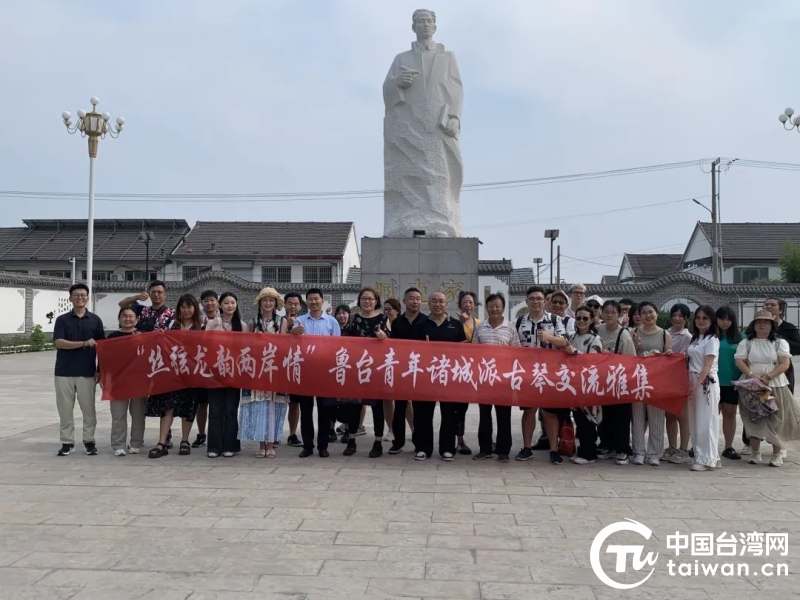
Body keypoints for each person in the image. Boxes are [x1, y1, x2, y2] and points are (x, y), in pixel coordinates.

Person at [383, 9, 463, 238]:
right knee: (409, 172)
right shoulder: (401, 59)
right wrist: (397, 83)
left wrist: (454, 118)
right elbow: (387, 90)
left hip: (437, 123)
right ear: (413, 27)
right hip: (408, 124)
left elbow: (456, 91)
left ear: (435, 26)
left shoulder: (447, 57)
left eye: (429, 21)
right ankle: (405, 222)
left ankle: (441, 222)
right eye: (420, 21)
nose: (425, 25)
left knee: (439, 172)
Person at [735, 310, 800, 467]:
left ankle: (776, 454)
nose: (762, 325)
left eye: (766, 322)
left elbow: (784, 363)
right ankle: (755, 452)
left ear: (772, 326)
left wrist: (769, 377)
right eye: (759, 322)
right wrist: (751, 374)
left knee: (776, 419)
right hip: (752, 385)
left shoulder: (779, 342)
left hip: (775, 385)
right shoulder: (746, 343)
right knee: (753, 417)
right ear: (753, 325)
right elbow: (739, 360)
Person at [145, 295, 203, 459]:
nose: (186, 310)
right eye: (183, 307)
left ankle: (185, 440)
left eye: (189, 307)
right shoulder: (171, 325)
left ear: (195, 308)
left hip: (191, 374)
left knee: (188, 408)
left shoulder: (202, 327)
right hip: (171, 374)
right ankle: (161, 443)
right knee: (167, 408)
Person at [515, 286, 568, 462]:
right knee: (529, 411)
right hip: (527, 374)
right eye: (532, 299)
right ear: (526, 301)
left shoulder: (555, 320)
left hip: (549, 373)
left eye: (539, 298)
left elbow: (564, 341)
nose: (536, 302)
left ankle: (553, 450)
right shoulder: (519, 322)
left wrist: (549, 338)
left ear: (545, 301)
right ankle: (527, 447)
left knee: (549, 413)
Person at [53, 283, 105, 456]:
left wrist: (100, 369)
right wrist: (83, 343)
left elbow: (102, 348)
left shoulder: (95, 320)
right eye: (76, 295)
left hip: (87, 372)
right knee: (65, 410)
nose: (80, 298)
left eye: (83, 295)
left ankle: (89, 441)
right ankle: (67, 442)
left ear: (87, 298)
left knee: (88, 410)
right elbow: (59, 343)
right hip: (64, 372)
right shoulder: (62, 320)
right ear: (70, 298)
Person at [417, 291, 467, 461]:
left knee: (449, 413)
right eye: (434, 301)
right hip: (427, 375)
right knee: (423, 413)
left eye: (441, 301)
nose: (438, 304)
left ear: (447, 304)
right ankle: (423, 448)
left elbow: (463, 351)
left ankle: (447, 448)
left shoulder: (456, 325)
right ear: (428, 303)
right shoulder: (421, 324)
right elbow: (413, 352)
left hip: (449, 376)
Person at [291, 288, 341, 458]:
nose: (313, 302)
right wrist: (292, 333)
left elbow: (337, 347)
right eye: (310, 299)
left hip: (325, 371)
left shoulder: (331, 322)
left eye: (316, 299)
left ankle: (323, 446)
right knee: (305, 411)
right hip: (305, 371)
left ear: (322, 300)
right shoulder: (300, 321)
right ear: (307, 302)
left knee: (324, 410)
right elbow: (292, 345)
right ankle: (307, 446)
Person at [341, 286, 390, 458]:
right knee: (353, 406)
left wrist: (384, 337)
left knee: (377, 407)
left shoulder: (383, 319)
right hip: (356, 368)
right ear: (359, 301)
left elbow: (391, 342)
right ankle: (351, 440)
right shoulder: (353, 318)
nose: (367, 301)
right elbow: (343, 340)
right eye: (364, 299)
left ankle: (378, 442)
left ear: (376, 301)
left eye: (370, 299)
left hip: (376, 369)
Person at [240, 288, 289, 459]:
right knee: (259, 407)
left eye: (271, 300)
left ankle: (271, 444)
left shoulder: (282, 321)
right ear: (260, 303)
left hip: (275, 369)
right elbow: (247, 346)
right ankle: (261, 444)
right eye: (265, 300)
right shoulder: (253, 322)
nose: (268, 303)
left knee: (274, 406)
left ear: (276, 303)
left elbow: (283, 344)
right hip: (258, 370)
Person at [472, 293, 520, 462]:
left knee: (503, 415)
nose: (494, 309)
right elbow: (474, 352)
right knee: (484, 414)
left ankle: (503, 450)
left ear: (503, 308)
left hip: (503, 379)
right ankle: (485, 449)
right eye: (491, 306)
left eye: (497, 306)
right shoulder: (480, 328)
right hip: (484, 378)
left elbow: (516, 352)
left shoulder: (510, 327)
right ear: (487, 308)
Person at [631, 301, 673, 466]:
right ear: (639, 316)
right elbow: (628, 357)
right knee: (637, 417)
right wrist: (636, 348)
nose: (648, 315)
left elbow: (669, 356)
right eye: (644, 313)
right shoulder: (633, 333)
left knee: (657, 418)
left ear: (656, 313)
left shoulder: (664, 334)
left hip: (657, 381)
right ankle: (638, 452)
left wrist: (664, 354)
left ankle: (655, 453)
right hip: (637, 380)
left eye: (650, 312)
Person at [595, 300, 636, 465]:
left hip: (619, 381)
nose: (609, 315)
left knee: (621, 417)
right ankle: (606, 445)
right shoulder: (597, 330)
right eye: (606, 312)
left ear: (619, 314)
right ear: (601, 313)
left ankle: (622, 449)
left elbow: (630, 360)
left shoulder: (624, 334)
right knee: (603, 416)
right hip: (600, 380)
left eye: (613, 312)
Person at [205, 292, 245, 458]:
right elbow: (204, 343)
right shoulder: (212, 323)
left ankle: (230, 445)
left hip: (234, 373)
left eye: (233, 303)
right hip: (215, 372)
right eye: (226, 303)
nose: (230, 306)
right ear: (220, 305)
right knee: (215, 410)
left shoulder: (242, 325)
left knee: (230, 410)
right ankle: (214, 447)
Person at [388, 287, 427, 454]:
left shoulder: (426, 321)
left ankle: (419, 442)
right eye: (411, 298)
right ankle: (398, 442)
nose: (415, 301)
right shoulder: (397, 322)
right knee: (399, 408)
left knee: (419, 409)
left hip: (420, 371)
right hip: (401, 370)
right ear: (404, 301)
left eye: (418, 298)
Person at [562, 306, 604, 465]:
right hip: (573, 384)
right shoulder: (572, 337)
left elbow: (593, 362)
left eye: (585, 318)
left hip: (588, 384)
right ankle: (583, 449)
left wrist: (574, 352)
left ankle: (589, 453)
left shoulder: (595, 339)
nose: (581, 321)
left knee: (588, 419)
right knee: (579, 419)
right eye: (578, 318)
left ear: (592, 320)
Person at [106, 306, 145, 456]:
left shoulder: (142, 336)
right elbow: (105, 358)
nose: (128, 319)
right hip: (118, 381)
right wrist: (102, 375)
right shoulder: (112, 337)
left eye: (131, 316)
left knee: (138, 414)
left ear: (136, 319)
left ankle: (136, 443)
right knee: (118, 415)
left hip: (138, 381)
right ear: (119, 318)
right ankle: (118, 444)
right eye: (124, 316)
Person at [686, 306, 721, 472]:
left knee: (706, 421)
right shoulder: (695, 338)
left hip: (705, 383)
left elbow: (707, 366)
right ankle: (705, 456)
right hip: (693, 380)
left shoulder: (712, 340)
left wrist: (695, 385)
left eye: (705, 318)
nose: (701, 321)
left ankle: (707, 459)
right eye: (698, 317)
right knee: (695, 421)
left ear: (712, 320)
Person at [664, 303, 693, 465]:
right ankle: (672, 447)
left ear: (686, 319)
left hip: (681, 378)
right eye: (674, 315)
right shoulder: (665, 333)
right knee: (669, 414)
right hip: (666, 379)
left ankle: (683, 449)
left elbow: (682, 357)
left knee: (682, 415)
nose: (677, 318)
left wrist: (669, 356)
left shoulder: (687, 337)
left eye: (681, 316)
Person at [715, 306, 744, 460]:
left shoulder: (741, 338)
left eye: (728, 319)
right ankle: (706, 445)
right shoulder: (710, 336)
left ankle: (728, 446)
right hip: (712, 382)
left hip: (732, 382)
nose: (725, 322)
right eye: (721, 319)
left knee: (730, 414)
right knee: (711, 415)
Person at [192, 290, 219, 448]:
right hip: (200, 366)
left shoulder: (223, 318)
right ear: (201, 303)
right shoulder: (197, 319)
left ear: (217, 302)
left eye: (212, 300)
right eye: (206, 300)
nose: (209, 303)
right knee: (202, 403)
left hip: (218, 366)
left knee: (216, 403)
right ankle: (201, 434)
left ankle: (216, 434)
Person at [455, 291, 481, 455]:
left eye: (471, 302)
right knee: (457, 407)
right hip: (457, 370)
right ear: (460, 304)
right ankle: (459, 440)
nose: (468, 305)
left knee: (464, 407)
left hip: (473, 371)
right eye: (465, 302)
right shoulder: (454, 322)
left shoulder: (480, 323)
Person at [764, 297, 800, 393]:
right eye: (766, 305)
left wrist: (778, 336)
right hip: (762, 371)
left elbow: (798, 348)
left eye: (773, 305)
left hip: (783, 369)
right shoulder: (756, 327)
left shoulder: (789, 327)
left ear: (780, 310)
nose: (768, 307)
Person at [283, 292, 304, 448]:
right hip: (280, 366)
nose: (293, 306)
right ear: (284, 305)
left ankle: (292, 434)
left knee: (294, 403)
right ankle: (273, 435)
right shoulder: (278, 321)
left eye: (296, 304)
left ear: (300, 306)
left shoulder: (304, 321)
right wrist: (288, 329)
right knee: (277, 402)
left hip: (297, 366)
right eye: (289, 303)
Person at [381, 297, 403, 435]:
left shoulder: (402, 323)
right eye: (385, 309)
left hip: (401, 366)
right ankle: (390, 429)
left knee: (405, 401)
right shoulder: (381, 324)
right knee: (387, 399)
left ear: (397, 310)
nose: (387, 312)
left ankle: (414, 429)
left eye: (390, 309)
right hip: (385, 366)